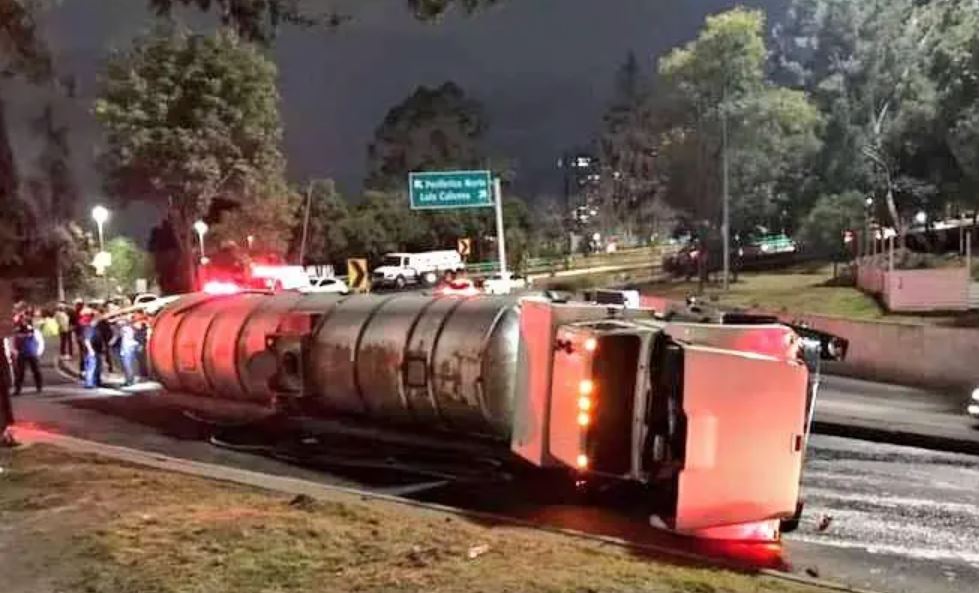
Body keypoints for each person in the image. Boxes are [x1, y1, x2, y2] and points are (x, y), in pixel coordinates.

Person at [12, 318, 43, 395]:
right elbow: (14, 342)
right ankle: (18, 389)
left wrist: (38, 352)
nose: (24, 323)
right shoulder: (17, 332)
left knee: (36, 371)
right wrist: (15, 352)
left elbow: (40, 342)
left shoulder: (35, 332)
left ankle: (39, 387)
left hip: (32, 354)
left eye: (25, 322)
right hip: (22, 354)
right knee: (20, 373)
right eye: (22, 322)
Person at [80, 307, 101, 389]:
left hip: (96, 350)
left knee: (95, 366)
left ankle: (95, 381)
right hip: (91, 352)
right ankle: (89, 383)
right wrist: (91, 350)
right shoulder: (89, 328)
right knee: (91, 367)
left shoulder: (93, 328)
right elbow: (87, 341)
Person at [117, 316, 140, 386]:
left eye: (120, 321)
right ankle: (129, 380)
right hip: (128, 348)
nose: (118, 323)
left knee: (127, 365)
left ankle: (129, 381)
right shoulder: (128, 329)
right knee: (128, 365)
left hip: (127, 348)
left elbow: (129, 338)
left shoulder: (126, 329)